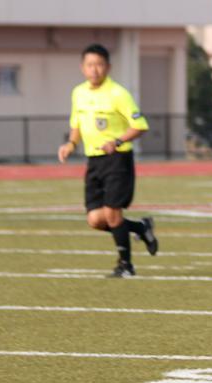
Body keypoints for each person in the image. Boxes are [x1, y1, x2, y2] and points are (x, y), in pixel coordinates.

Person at [57, 43, 157, 278]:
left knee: (112, 214)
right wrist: (71, 144)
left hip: (117, 160)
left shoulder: (118, 93)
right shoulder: (78, 93)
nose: (95, 70)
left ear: (108, 67)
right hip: (93, 161)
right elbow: (76, 124)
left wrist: (118, 141)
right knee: (95, 219)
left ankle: (126, 266)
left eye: (100, 65)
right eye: (90, 65)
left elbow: (140, 125)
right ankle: (140, 228)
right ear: (83, 67)